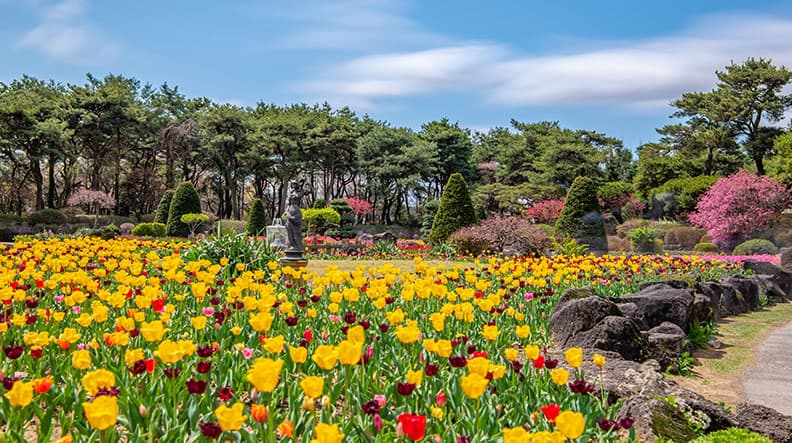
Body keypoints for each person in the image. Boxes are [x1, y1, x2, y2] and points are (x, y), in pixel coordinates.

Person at [285, 177, 306, 256]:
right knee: (289, 229)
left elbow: (302, 194)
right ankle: (291, 245)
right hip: (290, 211)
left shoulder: (300, 192)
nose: (293, 185)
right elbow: (289, 204)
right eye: (292, 184)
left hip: (296, 211)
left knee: (296, 231)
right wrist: (286, 211)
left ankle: (297, 246)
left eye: (295, 184)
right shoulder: (291, 192)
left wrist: (302, 185)